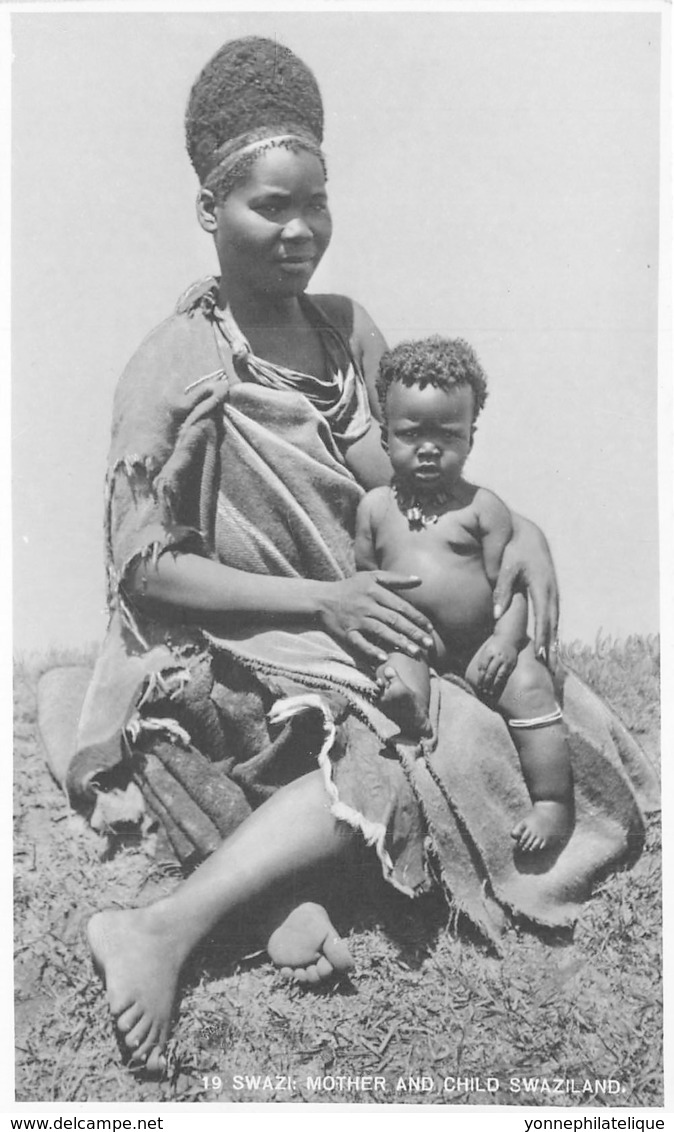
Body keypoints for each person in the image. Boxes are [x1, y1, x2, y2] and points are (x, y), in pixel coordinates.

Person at [74, 36, 653, 1077]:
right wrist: (323, 600)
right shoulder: (173, 365)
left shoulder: (347, 334)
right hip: (243, 640)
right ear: (209, 210)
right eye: (267, 208)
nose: (299, 233)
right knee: (402, 744)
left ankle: (288, 876)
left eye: (316, 204)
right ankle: (157, 927)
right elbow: (145, 571)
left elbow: (413, 487)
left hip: (368, 624)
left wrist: (522, 532)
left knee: (536, 727)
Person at [355, 336, 573, 852]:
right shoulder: (374, 509)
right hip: (415, 642)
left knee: (530, 689)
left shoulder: (482, 509)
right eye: (412, 434)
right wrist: (387, 643)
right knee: (397, 690)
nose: (429, 447)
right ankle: (416, 764)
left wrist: (504, 640)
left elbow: (511, 585)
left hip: (480, 646)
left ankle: (553, 804)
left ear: (470, 439)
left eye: (447, 435)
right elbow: (368, 578)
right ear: (385, 439)